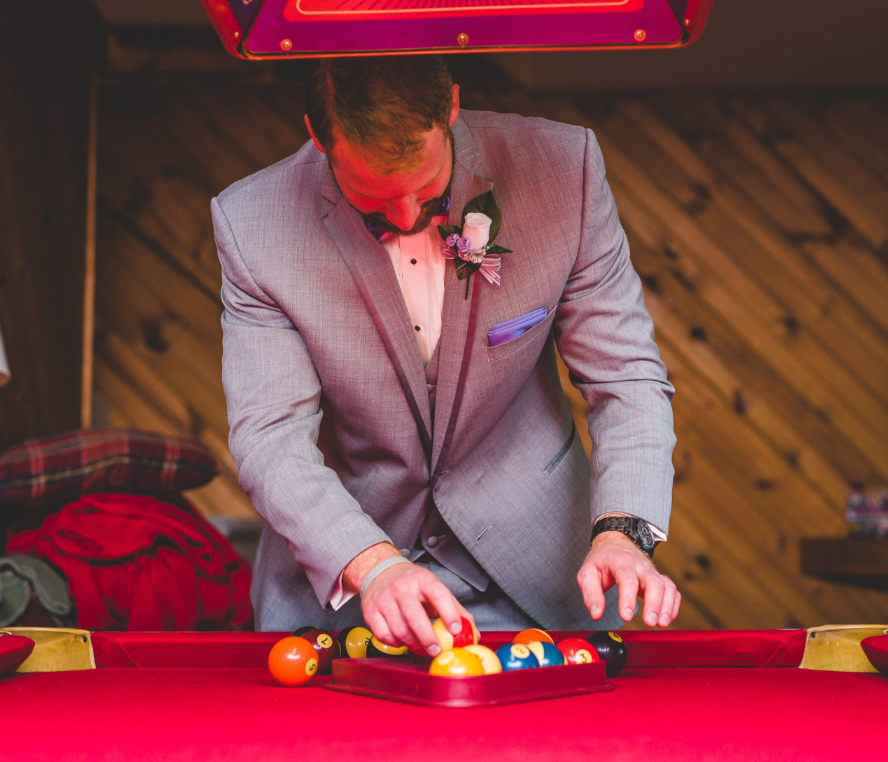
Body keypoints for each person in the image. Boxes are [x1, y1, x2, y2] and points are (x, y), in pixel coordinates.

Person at [211, 56, 679, 655]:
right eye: (369, 194)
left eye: (425, 190)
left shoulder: (565, 171)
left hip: (538, 582)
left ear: (451, 108)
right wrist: (371, 564)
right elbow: (270, 435)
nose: (405, 218)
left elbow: (626, 375)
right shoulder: (252, 225)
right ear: (315, 133)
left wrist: (624, 532)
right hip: (345, 597)